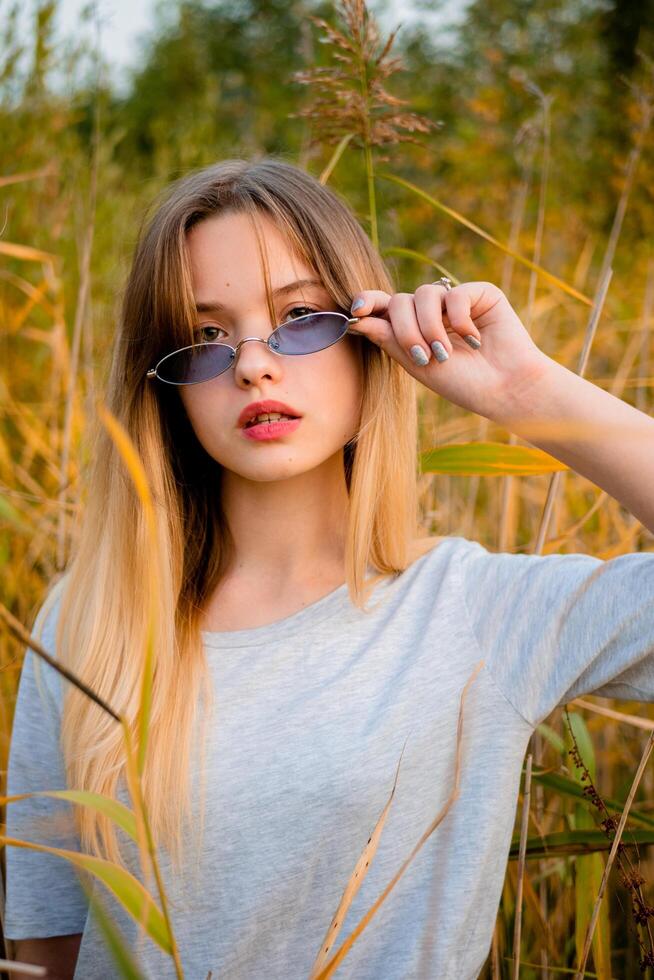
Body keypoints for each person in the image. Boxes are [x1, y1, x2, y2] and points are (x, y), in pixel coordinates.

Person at [4, 157, 654, 980]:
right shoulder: (90, 620)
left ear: (369, 339)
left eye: (301, 316)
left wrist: (525, 390)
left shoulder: (474, 610)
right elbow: (48, 950)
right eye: (204, 337)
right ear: (164, 385)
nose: (252, 364)